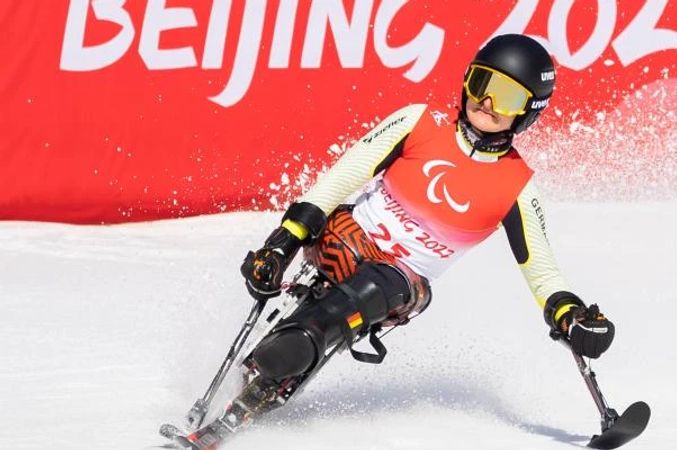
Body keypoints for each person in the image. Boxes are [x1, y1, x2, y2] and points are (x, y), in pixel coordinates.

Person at [175, 34, 615, 449]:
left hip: (400, 282)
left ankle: (293, 351)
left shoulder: (517, 187)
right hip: (344, 239)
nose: (487, 102)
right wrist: (281, 245)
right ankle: (270, 359)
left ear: (529, 111)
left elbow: (542, 271)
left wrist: (570, 314)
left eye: (508, 97)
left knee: (378, 286)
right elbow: (339, 179)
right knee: (350, 263)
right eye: (483, 84)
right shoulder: (419, 123)